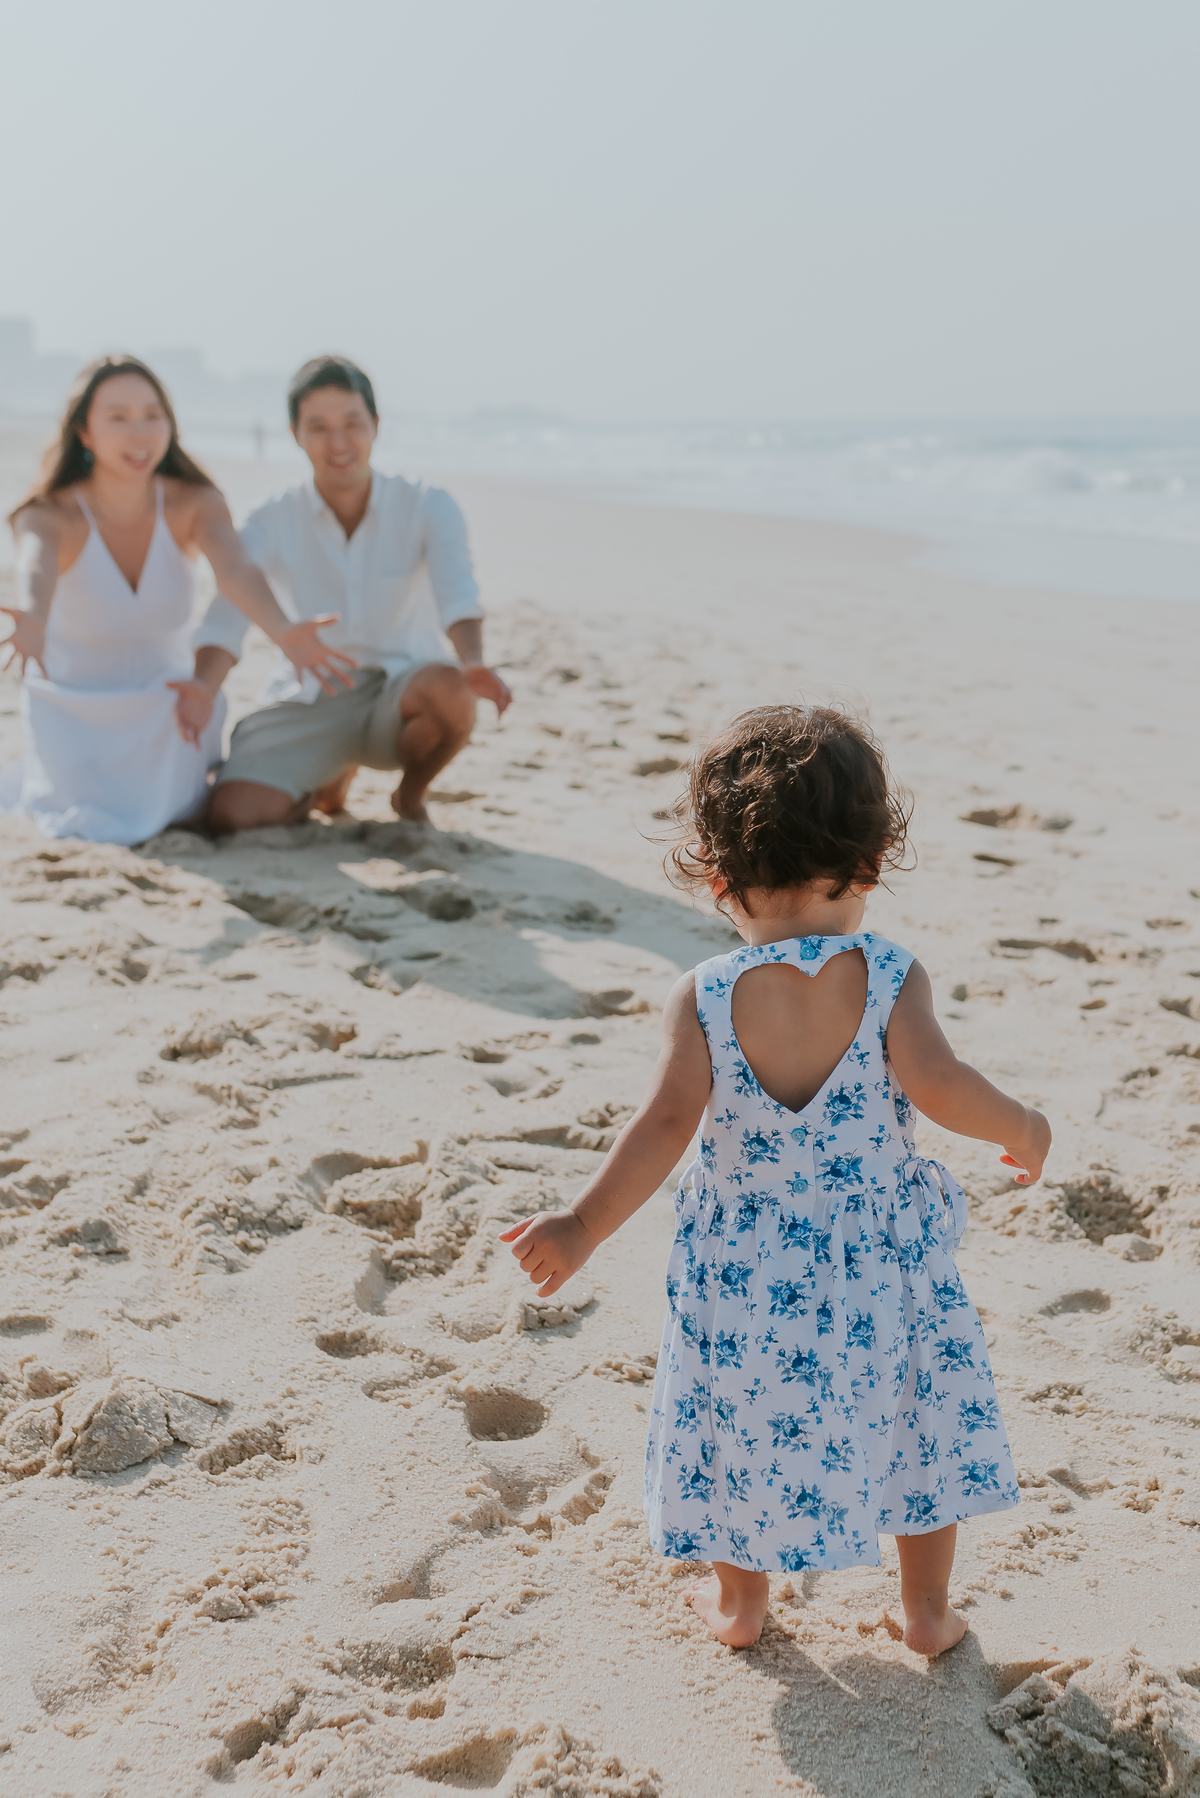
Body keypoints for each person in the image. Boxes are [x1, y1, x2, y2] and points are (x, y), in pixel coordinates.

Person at [503, 706, 1051, 1653]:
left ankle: (741, 1607)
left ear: (718, 879)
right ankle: (925, 1613)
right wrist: (1024, 1127)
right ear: (874, 861)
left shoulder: (709, 994)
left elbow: (666, 1123)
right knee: (916, 1411)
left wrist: (584, 1226)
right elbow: (941, 1085)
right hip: (879, 1255)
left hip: (748, 1266)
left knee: (735, 1421)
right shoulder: (889, 976)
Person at [1, 356, 354, 846]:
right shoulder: (48, 513)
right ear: (84, 432)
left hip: (168, 711)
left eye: (153, 414)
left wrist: (284, 631)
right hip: (78, 715)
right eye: (118, 417)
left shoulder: (195, 502)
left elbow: (234, 570)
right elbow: (34, 565)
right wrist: (33, 617)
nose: (140, 432)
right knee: (82, 820)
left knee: (186, 799)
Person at [193, 355, 511, 833]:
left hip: (400, 693)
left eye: (352, 424)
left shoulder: (426, 504)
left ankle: (408, 797)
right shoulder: (273, 516)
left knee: (451, 687)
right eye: (318, 427)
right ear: (295, 433)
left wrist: (472, 661)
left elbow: (458, 591)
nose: (338, 443)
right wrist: (201, 687)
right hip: (314, 694)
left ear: (376, 426)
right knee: (232, 815)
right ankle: (327, 775)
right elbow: (229, 608)